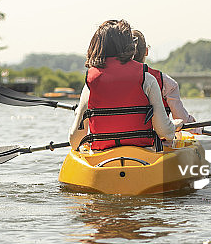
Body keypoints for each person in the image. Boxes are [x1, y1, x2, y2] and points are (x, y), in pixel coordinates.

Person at [69, 20, 181, 151]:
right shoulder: (147, 78)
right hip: (144, 157)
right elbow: (164, 132)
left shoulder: (91, 82)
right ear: (128, 45)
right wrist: (174, 125)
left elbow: (75, 140)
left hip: (101, 160)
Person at [132, 29, 201, 134]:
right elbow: (181, 119)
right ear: (146, 51)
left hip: (117, 145)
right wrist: (195, 126)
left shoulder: (112, 81)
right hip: (157, 145)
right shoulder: (167, 83)